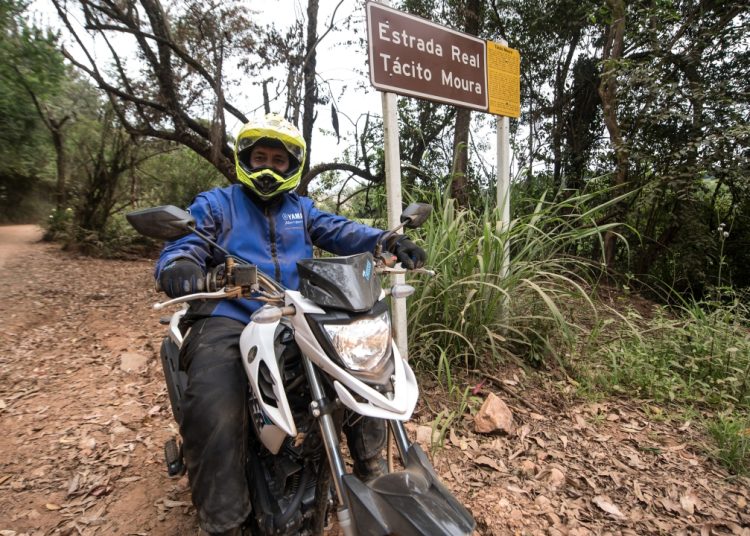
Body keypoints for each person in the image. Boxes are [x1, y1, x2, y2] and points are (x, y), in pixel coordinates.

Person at [154, 113, 426, 536]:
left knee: (361, 370)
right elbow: (183, 245)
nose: (268, 168)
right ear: (245, 159)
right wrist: (182, 268)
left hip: (296, 314)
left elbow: (341, 230)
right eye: (260, 158)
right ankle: (223, 520)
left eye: (278, 160)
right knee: (214, 400)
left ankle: (372, 470)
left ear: (292, 165)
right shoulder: (218, 204)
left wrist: (385, 240)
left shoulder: (302, 210)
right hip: (230, 314)